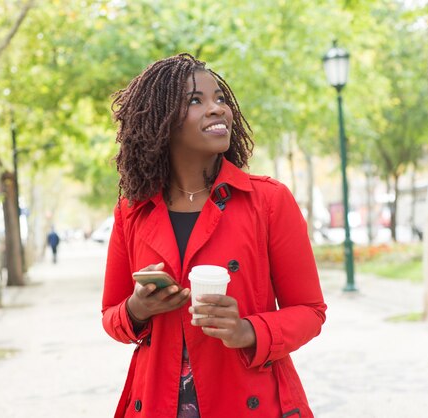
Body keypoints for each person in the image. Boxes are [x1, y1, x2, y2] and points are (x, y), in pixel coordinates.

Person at [102, 53, 326, 418]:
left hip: (249, 400)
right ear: (161, 121)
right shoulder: (132, 211)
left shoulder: (268, 201)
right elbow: (111, 315)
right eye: (196, 100)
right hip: (158, 400)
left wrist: (248, 330)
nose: (217, 109)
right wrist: (138, 308)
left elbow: (310, 311)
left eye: (220, 98)